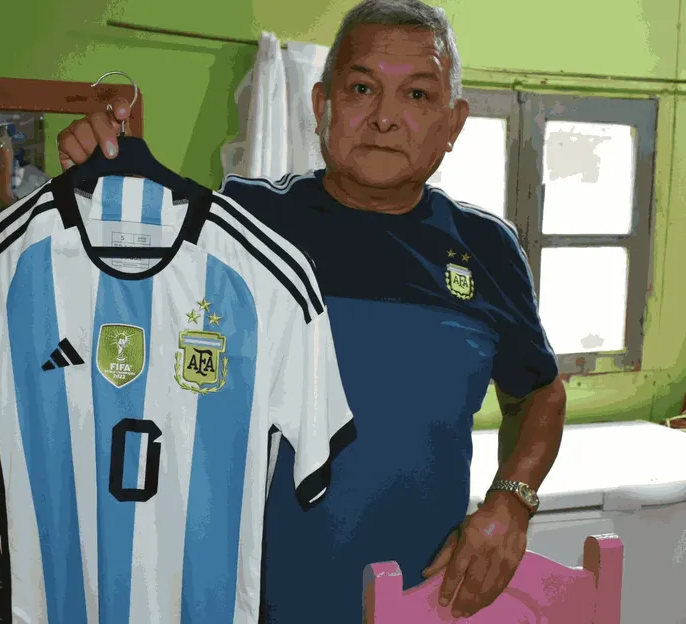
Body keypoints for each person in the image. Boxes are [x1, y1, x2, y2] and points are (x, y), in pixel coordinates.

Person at [56, 0, 567, 620]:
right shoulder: (244, 221)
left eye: (417, 95)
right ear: (322, 105)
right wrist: (101, 186)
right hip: (244, 602)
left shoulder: (487, 248)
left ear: (453, 122)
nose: (384, 118)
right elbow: (116, 328)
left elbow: (539, 393)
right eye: (361, 88)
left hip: (423, 603)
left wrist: (511, 501)